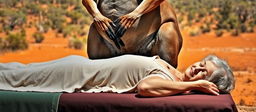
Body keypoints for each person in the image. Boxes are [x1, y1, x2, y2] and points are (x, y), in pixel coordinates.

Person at [0, 54, 234, 97]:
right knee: (19, 70)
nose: (197, 68)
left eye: (204, 73)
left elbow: (146, 88)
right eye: (202, 64)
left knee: (18, 79)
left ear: (205, 83)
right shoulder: (173, 71)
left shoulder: (171, 83)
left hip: (76, 77)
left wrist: (192, 87)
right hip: (78, 66)